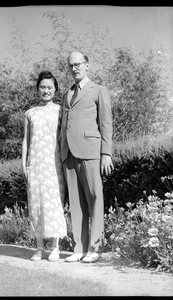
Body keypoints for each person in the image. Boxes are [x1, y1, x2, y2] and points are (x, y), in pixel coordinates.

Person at [59, 51, 114, 263]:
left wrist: (106, 153)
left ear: (87, 65)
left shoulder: (99, 90)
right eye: (71, 65)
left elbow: (106, 124)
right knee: (76, 203)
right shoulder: (66, 95)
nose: (74, 68)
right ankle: (79, 248)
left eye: (78, 64)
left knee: (94, 198)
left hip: (91, 151)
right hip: (68, 153)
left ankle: (95, 248)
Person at [22, 71, 67, 262]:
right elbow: (26, 140)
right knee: (36, 204)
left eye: (49, 87)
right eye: (42, 87)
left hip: (54, 163)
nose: (46, 90)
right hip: (35, 164)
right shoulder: (29, 113)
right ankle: (39, 247)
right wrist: (23, 163)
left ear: (55, 89)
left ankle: (55, 247)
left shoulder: (60, 110)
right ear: (37, 89)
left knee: (54, 202)